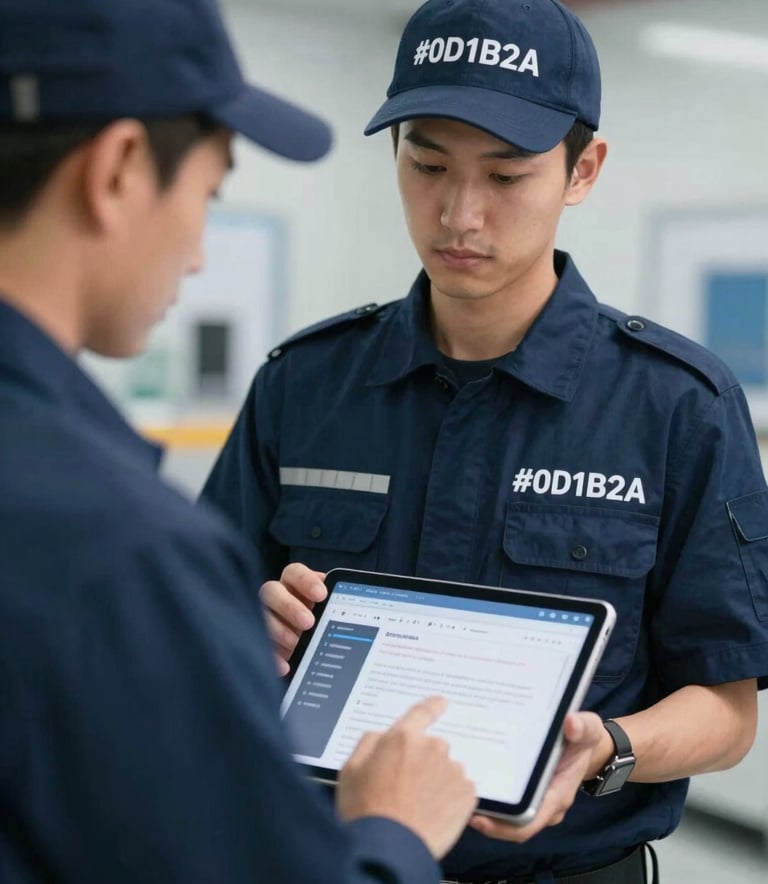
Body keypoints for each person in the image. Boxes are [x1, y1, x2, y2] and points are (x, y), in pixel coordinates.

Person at [201, 0, 768, 882]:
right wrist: (248, 627)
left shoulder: (675, 405)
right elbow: (202, 625)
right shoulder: (305, 384)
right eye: (427, 163)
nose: (459, 214)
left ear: (584, 171)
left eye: (507, 177)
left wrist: (609, 746)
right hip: (329, 857)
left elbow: (729, 710)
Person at [0, 1, 497, 881]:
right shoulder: (118, 551)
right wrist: (392, 831)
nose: (196, 255)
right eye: (208, 192)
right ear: (116, 170)